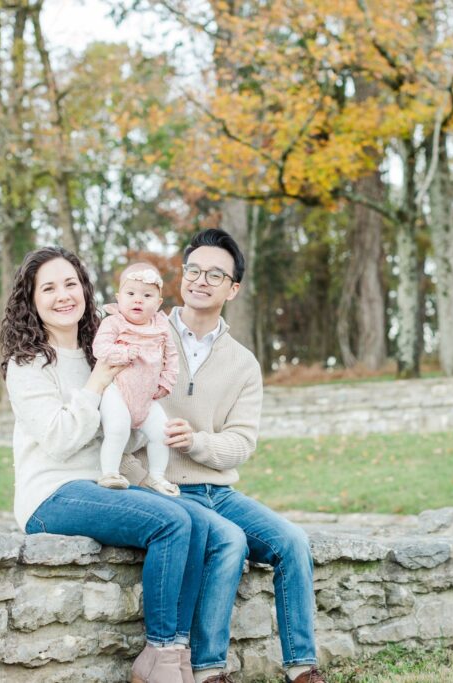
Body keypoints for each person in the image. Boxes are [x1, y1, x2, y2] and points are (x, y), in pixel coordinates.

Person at [123, 230, 327, 683]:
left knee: (292, 541)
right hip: (169, 490)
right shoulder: (144, 336)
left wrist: (196, 441)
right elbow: (116, 425)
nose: (201, 280)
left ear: (233, 288)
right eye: (193, 270)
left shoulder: (243, 363)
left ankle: (302, 667)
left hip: (221, 491)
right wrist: (143, 484)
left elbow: (242, 443)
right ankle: (208, 669)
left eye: (215, 274)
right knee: (229, 543)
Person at [0, 245, 207, 683]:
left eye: (71, 283)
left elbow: (119, 434)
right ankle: (160, 655)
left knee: (199, 522)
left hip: (101, 484)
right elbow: (59, 440)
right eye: (49, 288)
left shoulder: (102, 350)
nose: (63, 295)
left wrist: (146, 421)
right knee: (170, 522)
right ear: (31, 300)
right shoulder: (28, 365)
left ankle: (174, 655)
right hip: (52, 494)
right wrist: (96, 384)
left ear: (85, 289)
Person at [93, 262, 179, 496]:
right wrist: (122, 353)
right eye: (131, 294)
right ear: (119, 298)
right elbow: (99, 348)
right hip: (118, 390)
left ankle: (157, 476)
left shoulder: (161, 328)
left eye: (147, 295)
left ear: (158, 303)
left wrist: (166, 382)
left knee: (162, 433)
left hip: (146, 397)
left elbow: (172, 357)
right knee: (117, 428)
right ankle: (109, 472)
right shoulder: (113, 323)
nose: (138, 300)